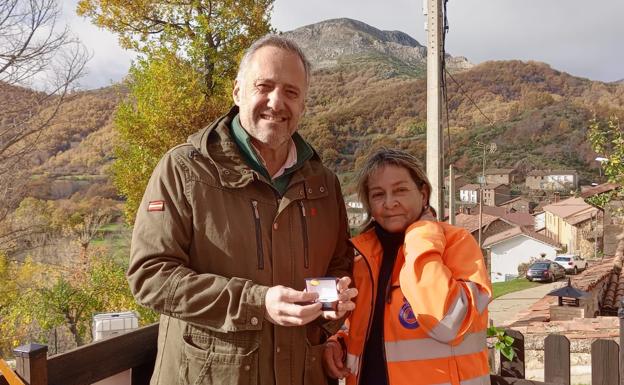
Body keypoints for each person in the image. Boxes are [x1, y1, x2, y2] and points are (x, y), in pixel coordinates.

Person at [128, 35, 356, 385]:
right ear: (237, 92)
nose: (276, 102)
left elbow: (339, 265)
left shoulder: (323, 183)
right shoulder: (185, 169)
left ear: (304, 105)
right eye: (263, 86)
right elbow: (150, 276)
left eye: (291, 92)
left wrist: (331, 305)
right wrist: (257, 302)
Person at [323, 148, 492, 385]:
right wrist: (339, 341)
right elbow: (367, 326)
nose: (390, 203)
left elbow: (447, 324)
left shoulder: (457, 243)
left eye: (401, 190)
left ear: (423, 194)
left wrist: (421, 233)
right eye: (378, 194)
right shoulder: (362, 257)